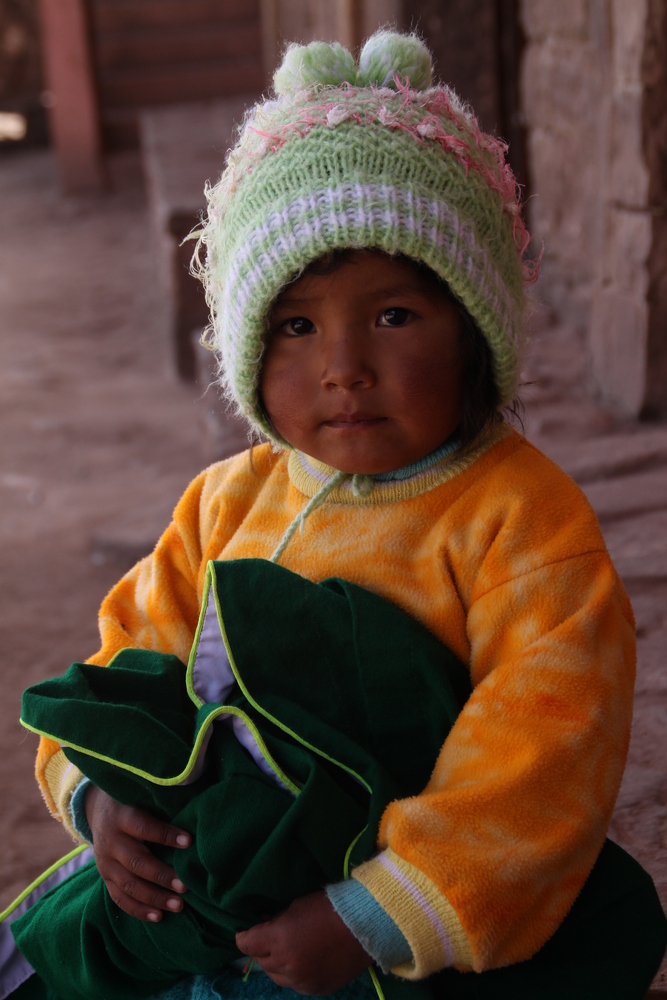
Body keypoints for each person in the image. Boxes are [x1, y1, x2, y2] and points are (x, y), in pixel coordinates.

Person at [9, 28, 666, 1000]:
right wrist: (106, 799)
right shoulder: (225, 501)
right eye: (296, 325)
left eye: (393, 315)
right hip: (215, 898)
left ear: (477, 329)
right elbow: (130, 660)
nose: (342, 365)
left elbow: (543, 754)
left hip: (392, 936)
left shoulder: (520, 523)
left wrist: (373, 916)